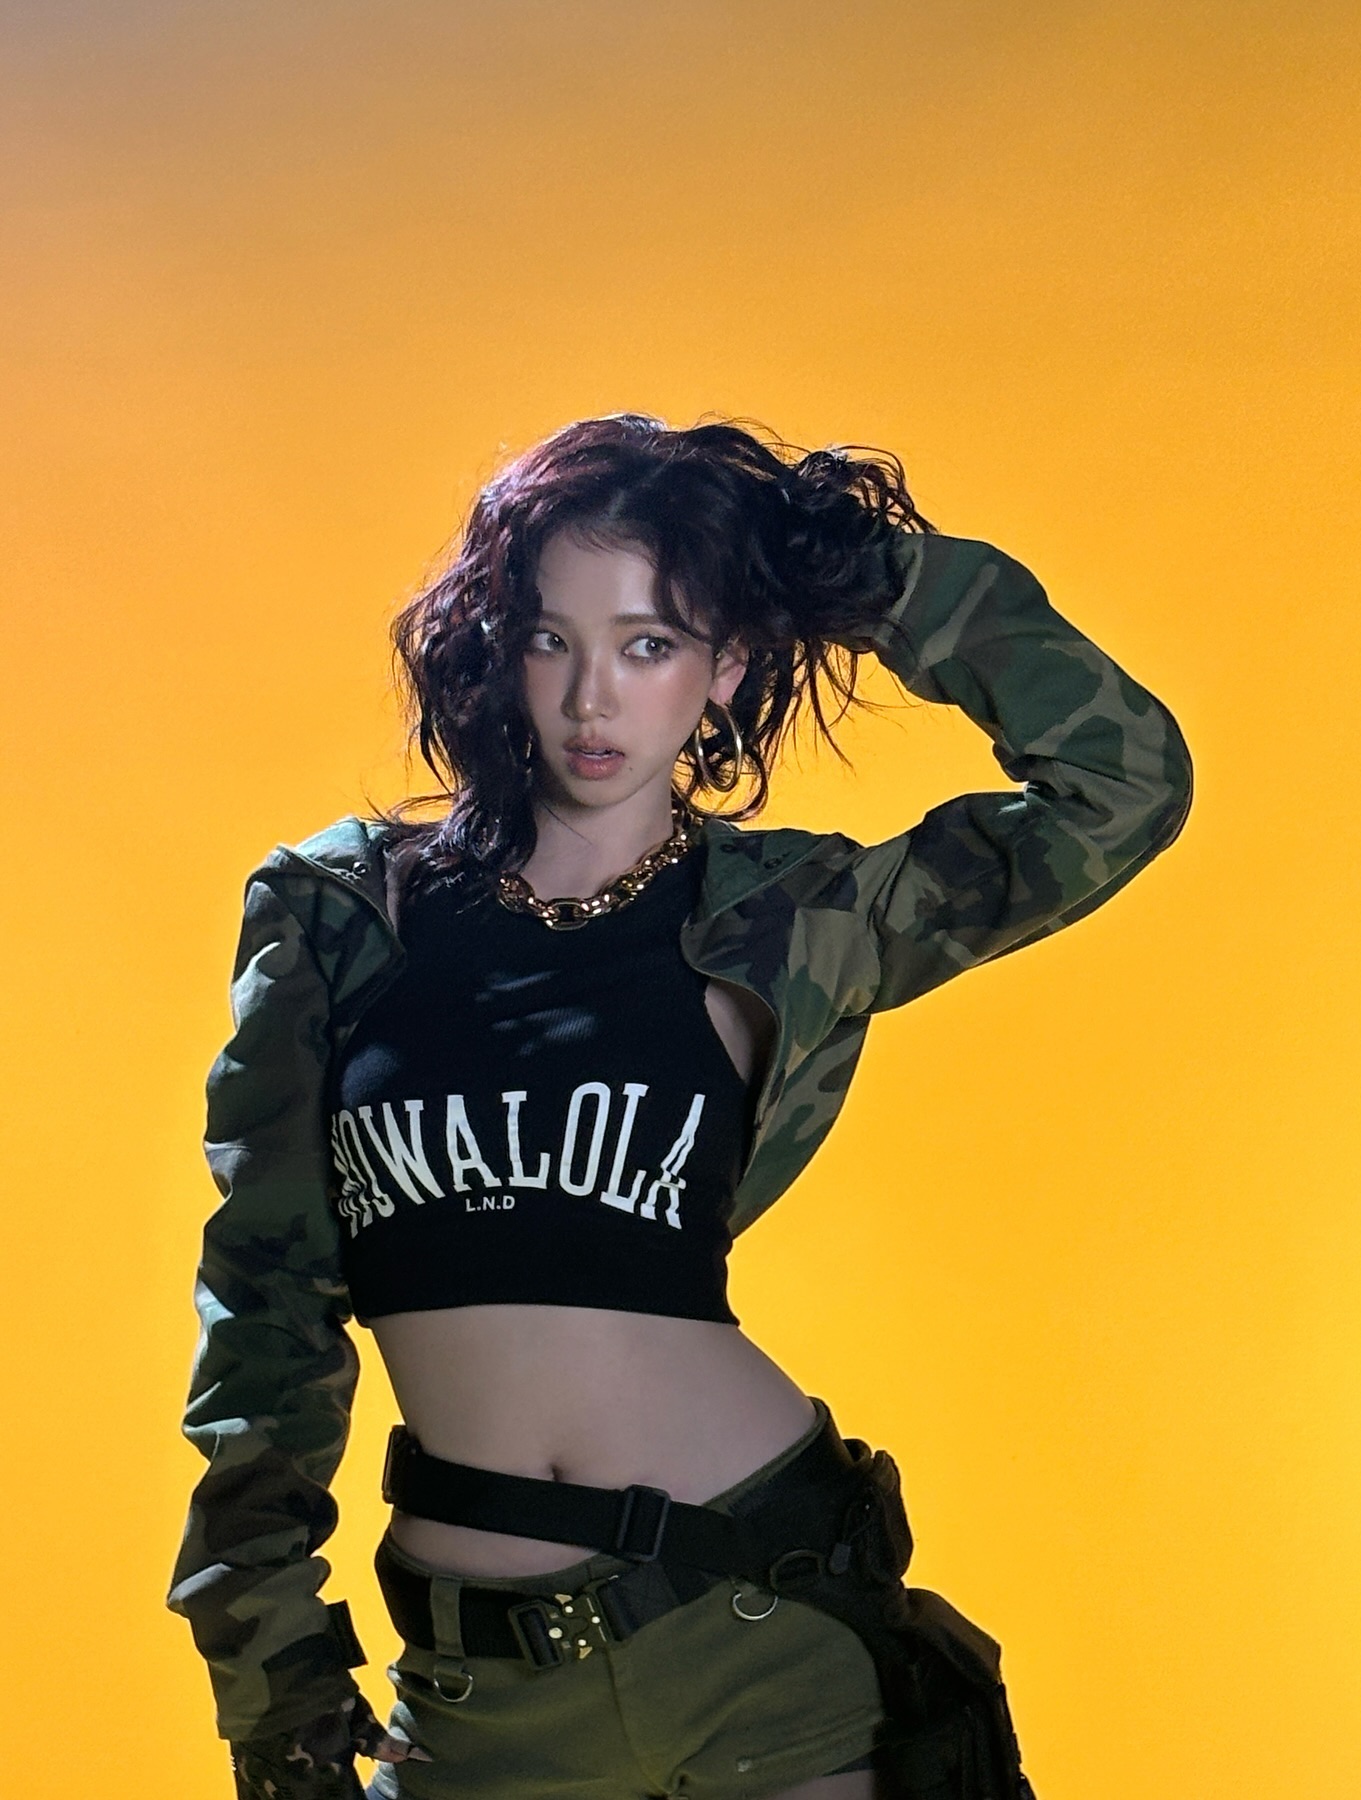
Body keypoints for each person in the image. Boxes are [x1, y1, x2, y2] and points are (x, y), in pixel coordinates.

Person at [166, 413, 1194, 1800]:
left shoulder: (799, 915)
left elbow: (1123, 784)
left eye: (649, 644)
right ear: (499, 650)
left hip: (765, 1620)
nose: (593, 698)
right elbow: (264, 1304)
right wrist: (266, 1662)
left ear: (726, 667)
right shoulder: (344, 911)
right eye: (552, 639)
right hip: (485, 1694)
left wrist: (864, 573)